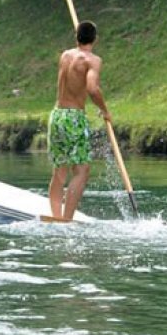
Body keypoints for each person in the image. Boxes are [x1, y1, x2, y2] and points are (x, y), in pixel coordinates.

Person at [47, 20, 111, 221]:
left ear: (76, 37)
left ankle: (55, 217)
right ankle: (66, 220)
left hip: (57, 115)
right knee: (81, 171)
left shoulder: (65, 55)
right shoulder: (92, 60)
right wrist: (104, 110)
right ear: (96, 39)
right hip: (74, 118)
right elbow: (92, 88)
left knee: (60, 169)